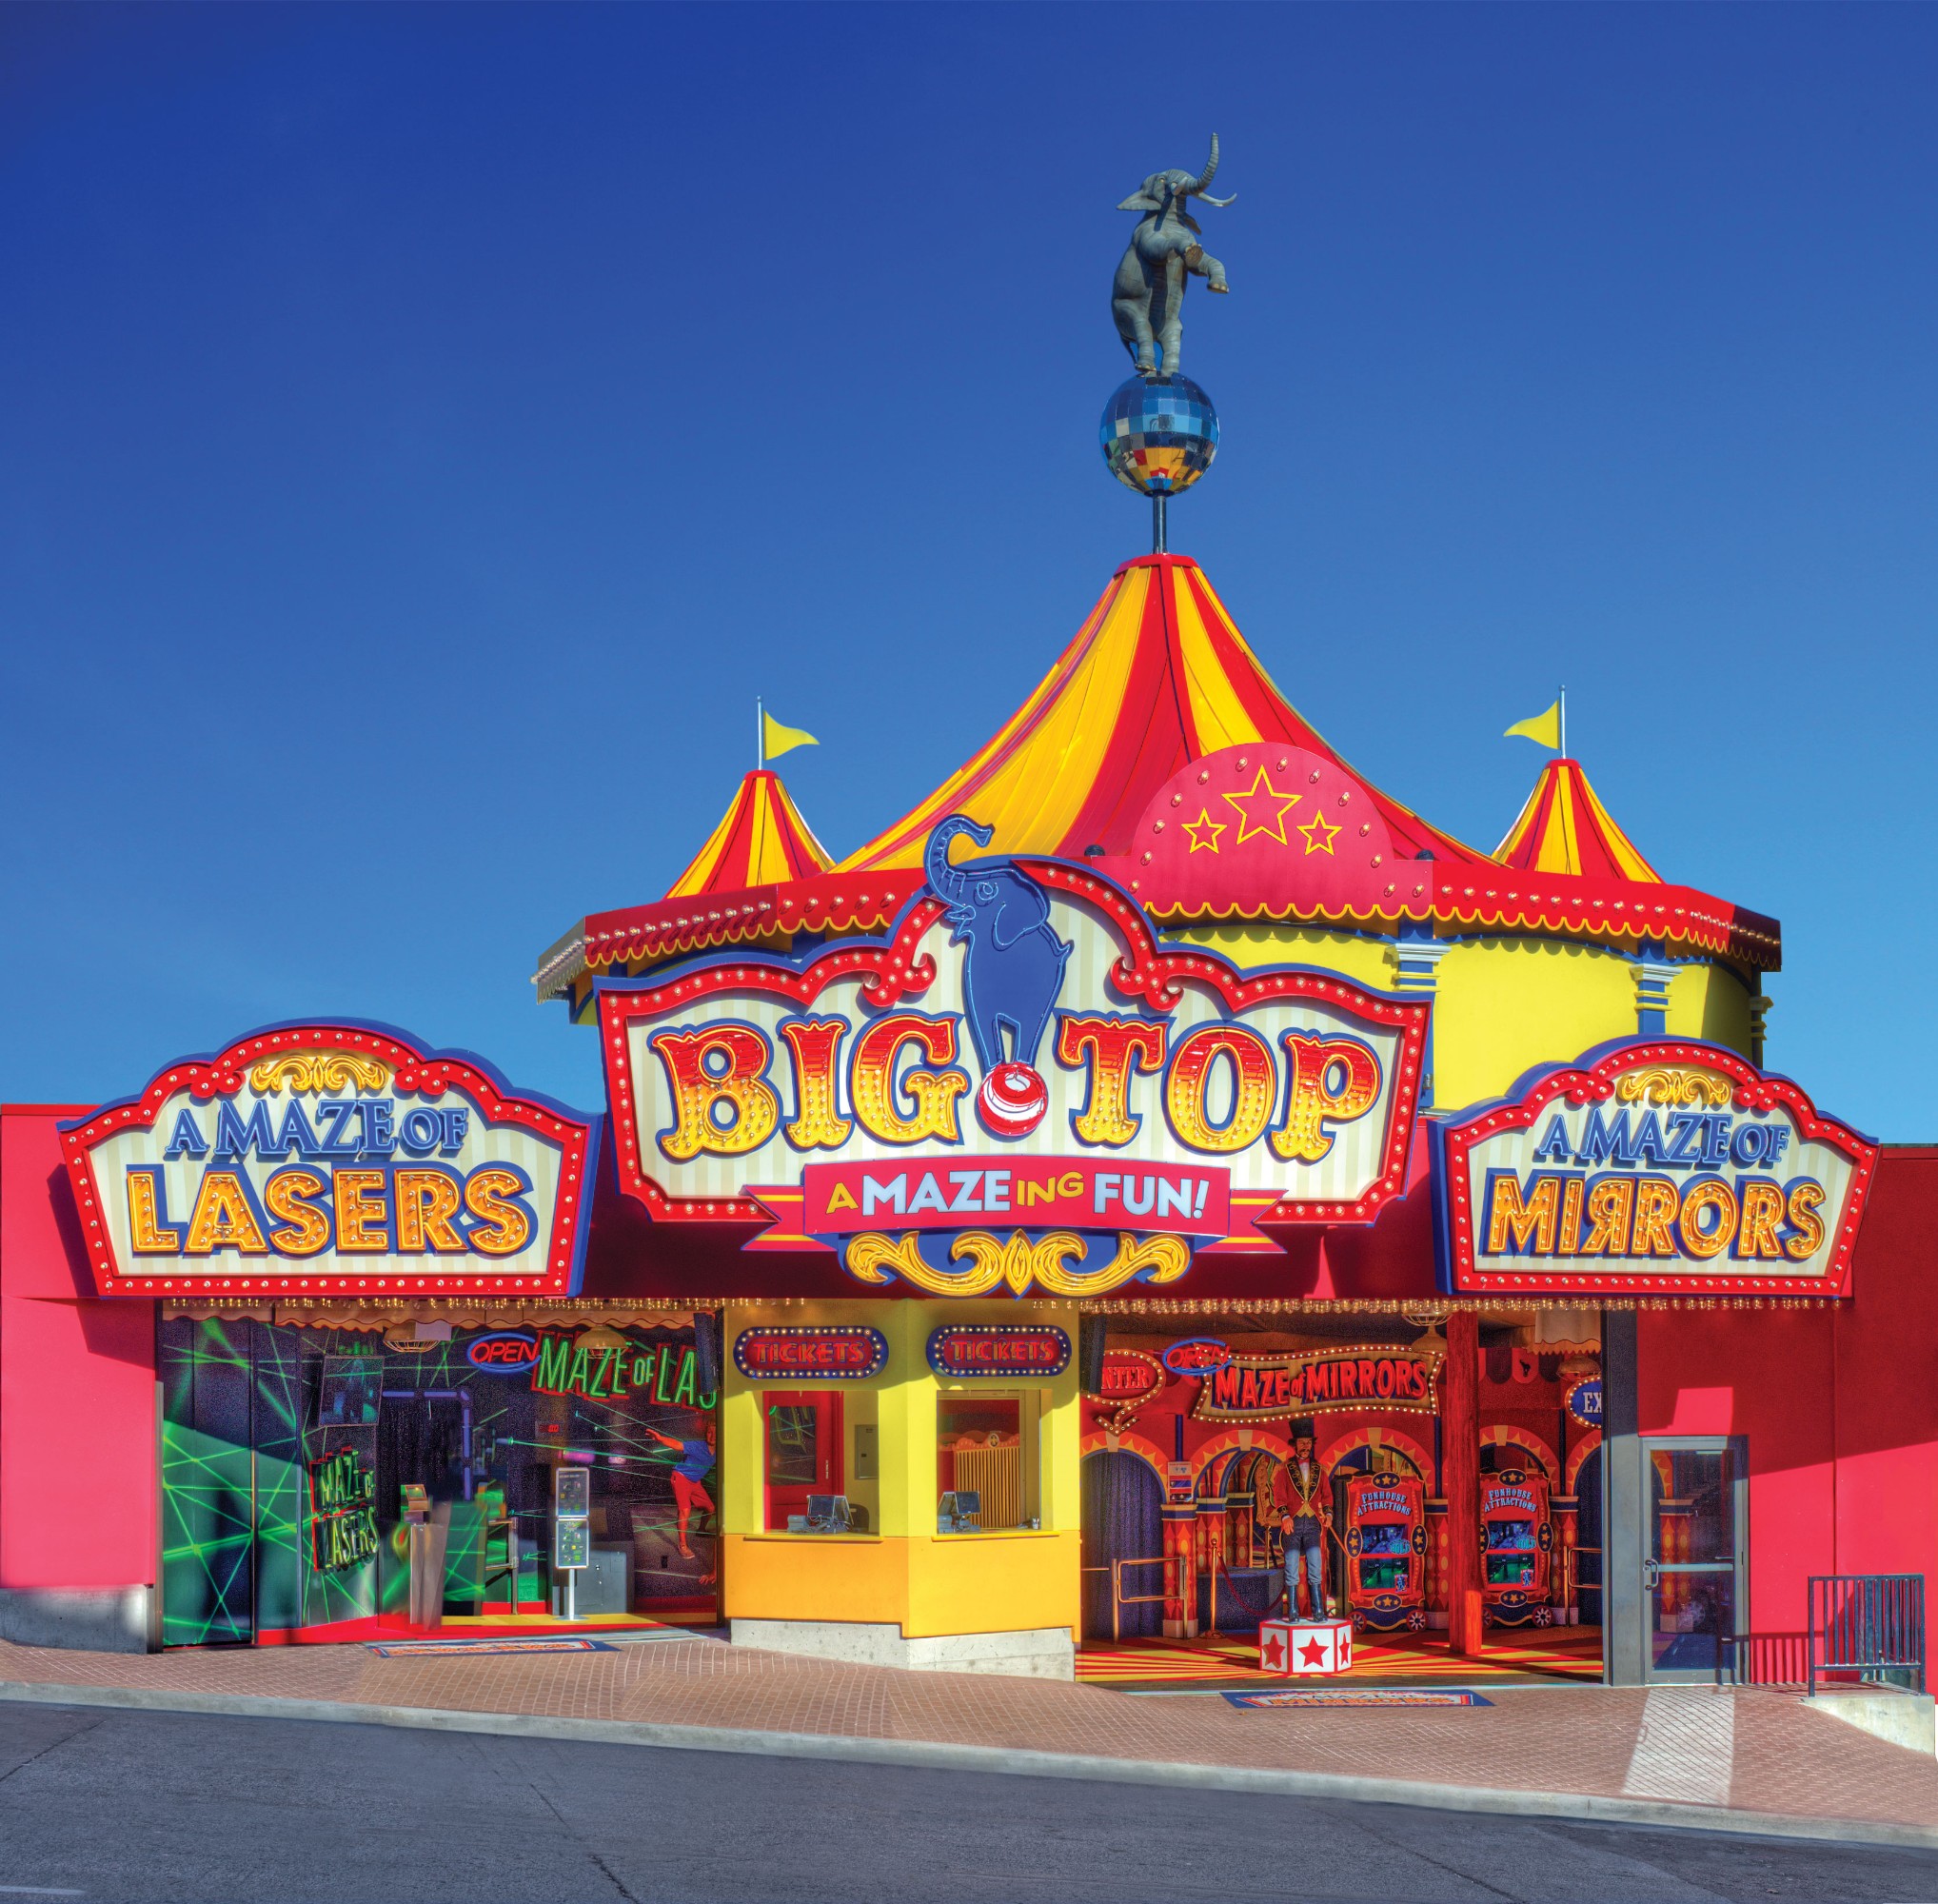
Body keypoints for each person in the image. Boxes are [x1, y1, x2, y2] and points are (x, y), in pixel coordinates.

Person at [1273, 1418, 1332, 1622]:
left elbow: (1327, 1496)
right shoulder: (1284, 1469)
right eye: (1302, 1442)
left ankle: (1318, 1612)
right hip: (1293, 1524)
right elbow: (1279, 1495)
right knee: (1291, 1567)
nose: (1306, 1446)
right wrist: (1285, 1516)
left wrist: (1329, 1515)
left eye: (1308, 1442)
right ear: (1295, 1445)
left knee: (1315, 1567)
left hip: (1313, 1524)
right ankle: (1293, 1612)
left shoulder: (1320, 1470)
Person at [644, 1417, 716, 1563]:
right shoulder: (697, 1446)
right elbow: (677, 1444)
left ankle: (701, 1530)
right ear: (706, 1433)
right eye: (710, 1432)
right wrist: (660, 1439)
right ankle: (682, 1545)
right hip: (681, 1478)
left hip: (695, 1482)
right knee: (685, 1510)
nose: (713, 1436)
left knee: (710, 1508)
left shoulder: (720, 1450)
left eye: (716, 1432)